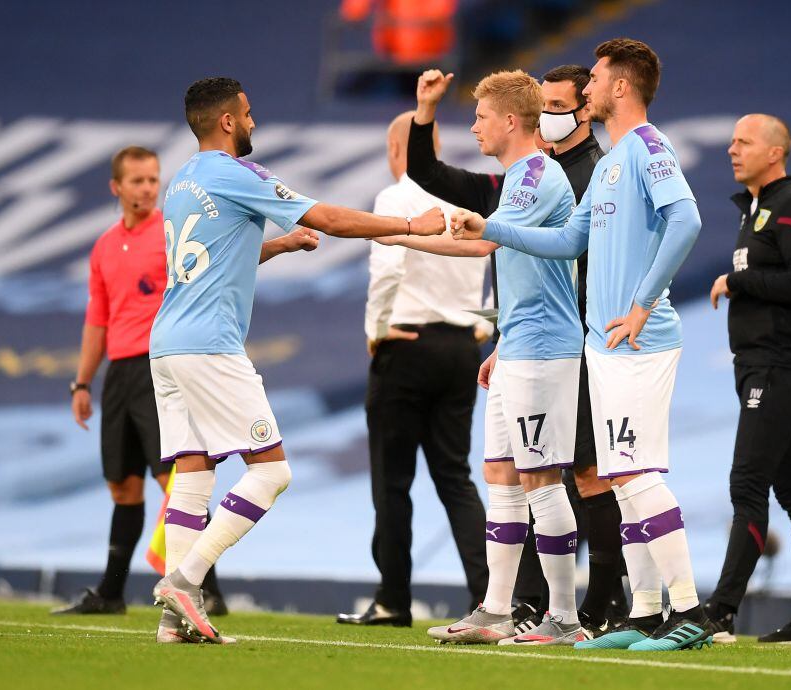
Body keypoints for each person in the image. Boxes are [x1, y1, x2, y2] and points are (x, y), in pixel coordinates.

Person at [150, 77, 445, 645]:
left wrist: (280, 245)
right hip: (210, 344)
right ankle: (186, 582)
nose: (254, 122)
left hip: (167, 345)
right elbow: (329, 218)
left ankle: (173, 622)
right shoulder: (239, 175)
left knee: (193, 477)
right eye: (249, 113)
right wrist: (410, 227)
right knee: (272, 469)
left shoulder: (183, 179)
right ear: (228, 122)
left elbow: (214, 259)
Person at [451, 38, 712, 652]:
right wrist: (488, 227)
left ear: (620, 86)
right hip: (605, 341)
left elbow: (688, 219)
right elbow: (569, 241)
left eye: (594, 78)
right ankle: (646, 614)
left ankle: (692, 613)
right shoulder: (612, 160)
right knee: (622, 476)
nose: (586, 88)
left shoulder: (648, 147)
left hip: (639, 338)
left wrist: (643, 303)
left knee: (638, 474)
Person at [406, 66, 626, 636]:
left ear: (509, 120)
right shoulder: (516, 179)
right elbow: (499, 254)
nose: (474, 127)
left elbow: (483, 240)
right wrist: (501, 342)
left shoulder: (538, 177)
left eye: (480, 117)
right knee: (501, 474)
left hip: (545, 349)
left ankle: (564, 617)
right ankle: (497, 609)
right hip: (517, 346)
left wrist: (392, 231)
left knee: (541, 479)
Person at [53, 146, 227, 617]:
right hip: (120, 374)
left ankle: (206, 588)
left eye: (153, 180)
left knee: (176, 478)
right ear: (117, 187)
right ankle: (112, 593)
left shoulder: (172, 234)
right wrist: (82, 383)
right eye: (137, 181)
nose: (148, 188)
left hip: (161, 368)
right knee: (124, 486)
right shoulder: (105, 245)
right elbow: (98, 318)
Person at [334, 112, 492, 627]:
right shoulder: (465, 194)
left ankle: (392, 599)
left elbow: (388, 268)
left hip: (406, 345)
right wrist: (482, 326)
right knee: (456, 477)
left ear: (394, 148)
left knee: (392, 481)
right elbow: (494, 255)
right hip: (461, 347)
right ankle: (490, 600)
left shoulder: (397, 196)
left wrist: (375, 330)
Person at [704, 114, 791, 645]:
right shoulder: (756, 209)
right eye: (731, 140)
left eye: (743, 142)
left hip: (782, 364)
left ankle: (721, 610)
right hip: (760, 364)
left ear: (775, 152)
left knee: (747, 483)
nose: (731, 150)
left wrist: (738, 280)